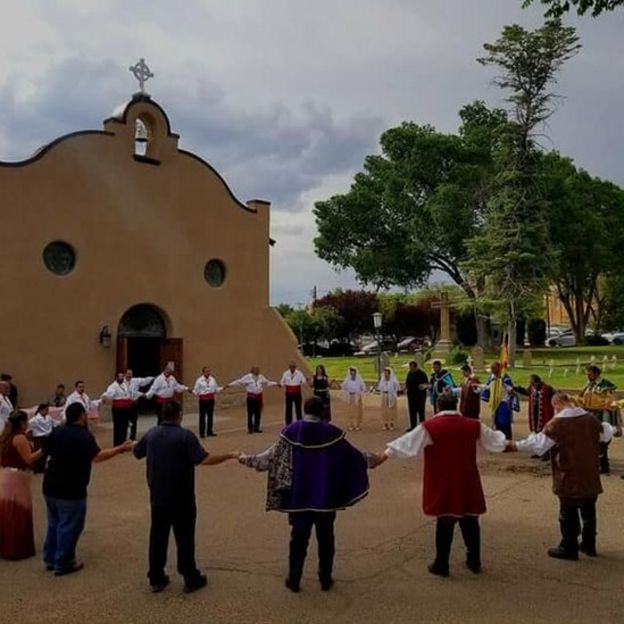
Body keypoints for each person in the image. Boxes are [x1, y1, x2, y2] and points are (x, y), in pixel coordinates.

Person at [238, 396, 379, 592]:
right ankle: (325, 579)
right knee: (326, 538)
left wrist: (247, 459)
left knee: (298, 539)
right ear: (322, 411)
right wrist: (376, 459)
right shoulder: (332, 433)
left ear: (305, 410)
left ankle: (294, 579)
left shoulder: (292, 431)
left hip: (299, 497)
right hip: (325, 498)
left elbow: (269, 457)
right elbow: (356, 456)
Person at [379, 393, 509, 577]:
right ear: (455, 404)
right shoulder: (473, 425)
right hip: (467, 479)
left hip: (444, 480)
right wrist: (516, 444)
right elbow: (496, 441)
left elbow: (405, 444)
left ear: (438, 406)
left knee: (445, 521)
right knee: (470, 519)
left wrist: (383, 456)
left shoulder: (430, 427)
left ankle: (442, 563)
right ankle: (474, 560)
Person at [133, 400, 237, 593]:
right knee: (185, 538)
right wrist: (228, 455)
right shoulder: (185, 436)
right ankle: (190, 576)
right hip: (182, 497)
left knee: (157, 536)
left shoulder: (152, 434)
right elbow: (204, 459)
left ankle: (156, 576)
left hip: (158, 496)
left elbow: (136, 452)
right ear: (179, 415)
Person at [508, 392, 617, 560]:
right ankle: (589, 544)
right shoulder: (590, 420)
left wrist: (515, 445)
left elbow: (539, 443)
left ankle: (569, 546)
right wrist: (619, 430)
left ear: (556, 404)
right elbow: (607, 432)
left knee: (568, 511)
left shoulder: (557, 424)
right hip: (589, 474)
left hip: (568, 474)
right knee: (589, 509)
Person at [42, 402, 133, 575]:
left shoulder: (56, 432)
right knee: (69, 525)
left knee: (54, 523)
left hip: (50, 485)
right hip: (71, 488)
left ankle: (50, 558)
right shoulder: (83, 436)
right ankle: (63, 562)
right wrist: (120, 449)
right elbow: (97, 456)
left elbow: (45, 453)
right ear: (82, 416)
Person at [0, 411, 43, 559]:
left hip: (5, 476)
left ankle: (5, 547)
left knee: (7, 512)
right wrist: (44, 450)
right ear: (22, 423)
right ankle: (17, 549)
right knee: (17, 512)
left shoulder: (5, 437)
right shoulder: (19, 438)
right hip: (17, 478)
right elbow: (29, 460)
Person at [579, 365, 621, 475]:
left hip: (600, 415)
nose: (588, 376)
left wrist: (606, 423)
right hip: (589, 415)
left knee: (601, 441)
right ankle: (595, 464)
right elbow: (582, 398)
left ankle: (603, 466)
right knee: (590, 442)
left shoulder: (605, 386)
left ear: (597, 374)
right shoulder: (588, 385)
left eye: (590, 374)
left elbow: (609, 404)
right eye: (587, 374)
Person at [515, 375, 556, 460]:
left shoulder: (547, 388)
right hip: (535, 415)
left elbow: (556, 394)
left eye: (532, 382)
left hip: (545, 414)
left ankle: (547, 454)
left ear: (537, 381)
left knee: (545, 434)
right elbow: (527, 392)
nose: (531, 383)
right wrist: (516, 388)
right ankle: (539, 452)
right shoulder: (532, 388)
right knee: (537, 433)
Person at [228, 366, 278, 433]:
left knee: (258, 413)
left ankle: (257, 428)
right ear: (252, 370)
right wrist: (229, 385)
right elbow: (239, 382)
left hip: (259, 398)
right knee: (250, 413)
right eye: (256, 370)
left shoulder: (261, 377)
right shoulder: (247, 377)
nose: (258, 371)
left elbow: (267, 383)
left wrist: (276, 384)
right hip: (251, 398)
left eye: (258, 370)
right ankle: (250, 428)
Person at [481, 361, 518, 440]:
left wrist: (502, 383)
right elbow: (488, 387)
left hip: (504, 403)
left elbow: (511, 389)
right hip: (496, 403)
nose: (493, 372)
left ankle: (507, 439)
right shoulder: (492, 378)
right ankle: (499, 439)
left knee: (504, 421)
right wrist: (478, 387)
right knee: (497, 421)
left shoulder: (505, 378)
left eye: (494, 370)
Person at [101, 373, 136, 446]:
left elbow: (127, 394)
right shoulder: (113, 386)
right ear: (116, 378)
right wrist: (105, 396)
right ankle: (118, 444)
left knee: (125, 426)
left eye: (122, 377)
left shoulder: (124, 385)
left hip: (126, 408)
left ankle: (123, 443)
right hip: (118, 409)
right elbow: (109, 394)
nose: (122, 378)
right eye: (120, 377)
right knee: (119, 426)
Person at [124, 369, 155, 441]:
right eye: (128, 374)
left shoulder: (135, 381)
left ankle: (132, 437)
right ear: (125, 374)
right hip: (125, 404)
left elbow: (145, 380)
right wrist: (141, 394)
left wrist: (154, 378)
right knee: (125, 421)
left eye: (131, 374)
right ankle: (123, 437)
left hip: (133, 404)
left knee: (133, 421)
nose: (129, 375)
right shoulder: (121, 382)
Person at [192, 367, 222, 437]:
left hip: (211, 399)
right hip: (203, 400)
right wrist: (195, 392)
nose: (208, 373)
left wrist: (222, 388)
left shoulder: (212, 379)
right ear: (203, 372)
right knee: (202, 416)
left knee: (210, 415)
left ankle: (209, 431)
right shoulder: (199, 380)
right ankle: (202, 433)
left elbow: (216, 389)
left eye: (209, 371)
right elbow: (196, 390)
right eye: (206, 372)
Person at [29, 403, 57, 472]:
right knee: (39, 454)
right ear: (41, 410)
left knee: (47, 454)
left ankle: (44, 467)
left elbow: (55, 423)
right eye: (45, 410)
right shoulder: (34, 419)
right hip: (39, 438)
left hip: (47, 437)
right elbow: (31, 424)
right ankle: (38, 468)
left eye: (47, 410)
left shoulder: (48, 417)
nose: (47, 411)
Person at [404, 361, 428, 430]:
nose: (411, 369)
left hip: (420, 396)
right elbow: (407, 382)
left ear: (416, 367)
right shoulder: (410, 373)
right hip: (411, 395)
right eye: (410, 368)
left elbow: (427, 384)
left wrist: (422, 386)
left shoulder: (422, 374)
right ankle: (413, 426)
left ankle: (422, 427)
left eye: (412, 368)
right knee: (412, 411)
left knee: (421, 411)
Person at [342, 367, 366, 431]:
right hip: (350, 397)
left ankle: (357, 425)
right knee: (350, 411)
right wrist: (347, 393)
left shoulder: (359, 380)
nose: (352, 373)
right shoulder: (347, 380)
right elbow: (343, 386)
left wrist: (359, 393)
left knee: (357, 411)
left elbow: (363, 387)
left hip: (357, 397)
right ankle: (351, 424)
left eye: (353, 372)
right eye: (351, 372)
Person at [378, 367, 400, 431]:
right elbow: (380, 388)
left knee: (392, 410)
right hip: (384, 396)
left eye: (387, 373)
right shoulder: (382, 380)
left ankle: (392, 424)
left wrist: (393, 394)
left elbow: (397, 388)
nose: (385, 374)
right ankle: (385, 424)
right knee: (385, 410)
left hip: (391, 396)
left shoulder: (393, 381)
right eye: (384, 373)